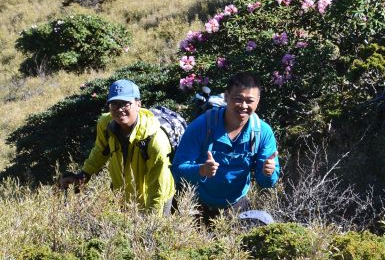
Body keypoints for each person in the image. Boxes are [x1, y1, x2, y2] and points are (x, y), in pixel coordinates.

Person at [172, 71, 280, 224]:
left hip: (236, 206)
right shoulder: (202, 126)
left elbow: (267, 182)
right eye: (238, 99)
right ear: (226, 96)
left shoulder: (263, 132)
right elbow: (177, 169)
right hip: (196, 205)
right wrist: (201, 170)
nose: (243, 106)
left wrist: (268, 173)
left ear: (258, 101)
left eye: (250, 101)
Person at [59, 79, 175, 215]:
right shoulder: (106, 124)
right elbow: (100, 151)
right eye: (114, 104)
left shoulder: (155, 140)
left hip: (157, 198)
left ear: (138, 105)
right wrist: (83, 176)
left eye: (126, 104)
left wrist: (151, 222)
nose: (119, 109)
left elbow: (158, 186)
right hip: (125, 197)